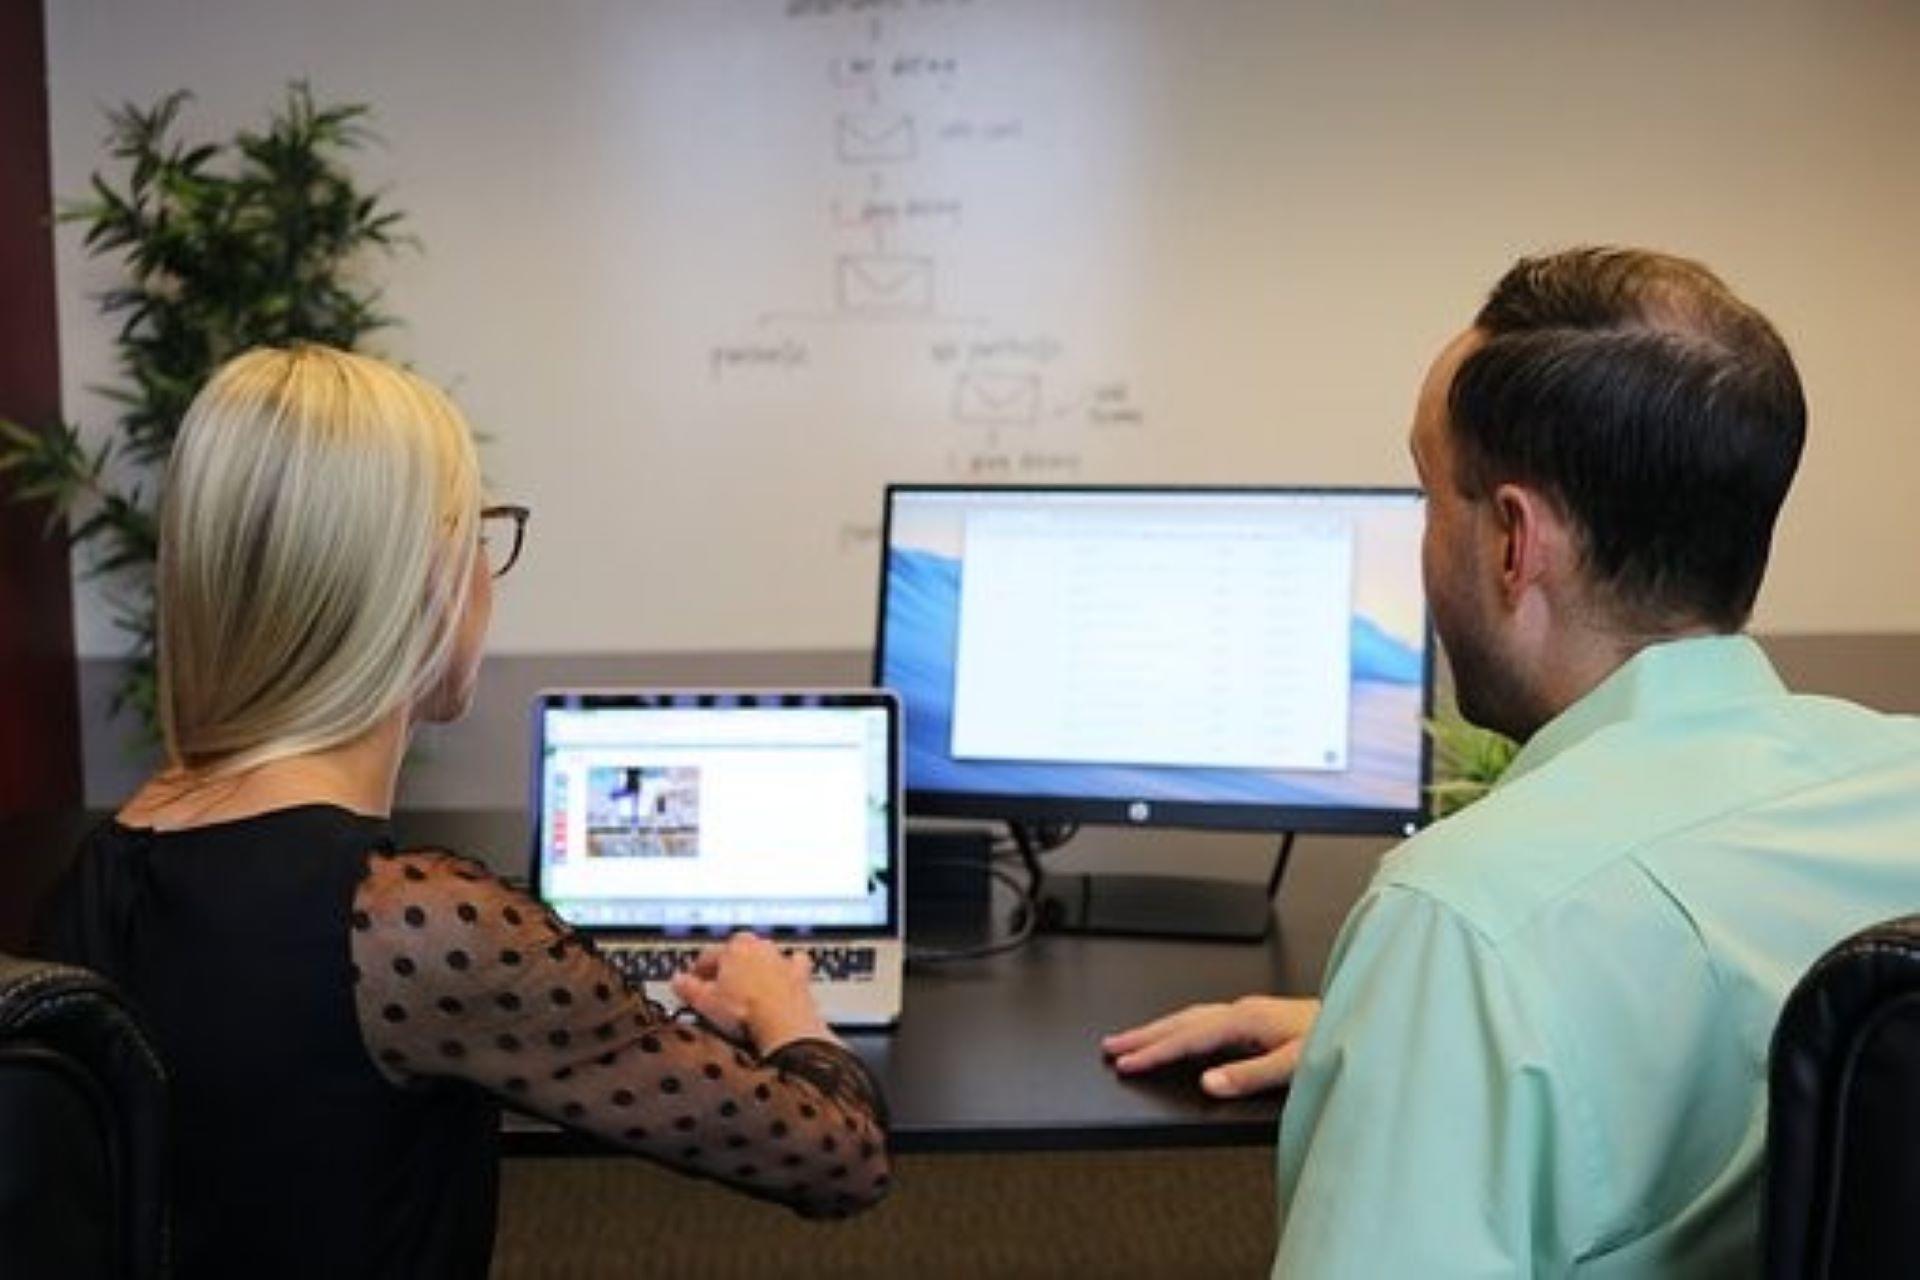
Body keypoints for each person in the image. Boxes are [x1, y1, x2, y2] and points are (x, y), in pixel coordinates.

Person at [1104, 247, 1920, 1276]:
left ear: (1511, 542)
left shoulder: (1465, 921)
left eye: (1428, 493)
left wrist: (1450, 1005)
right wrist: (1423, 1044)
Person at [34, 346, 890, 1276]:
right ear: (428, 580)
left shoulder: (101, 867)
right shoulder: (416, 928)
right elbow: (839, 1157)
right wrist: (785, 1012)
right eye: (481, 533)